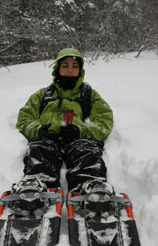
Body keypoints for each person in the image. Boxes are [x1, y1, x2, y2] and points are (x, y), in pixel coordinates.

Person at [15, 48, 114, 195]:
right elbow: (25, 118)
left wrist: (81, 131)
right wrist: (39, 131)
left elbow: (104, 121)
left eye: (74, 66)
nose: (70, 70)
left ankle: (90, 188)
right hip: (48, 140)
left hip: (79, 140)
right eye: (65, 66)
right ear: (57, 68)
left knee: (87, 154)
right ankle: (37, 188)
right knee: (40, 154)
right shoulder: (43, 94)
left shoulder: (89, 95)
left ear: (80, 70)